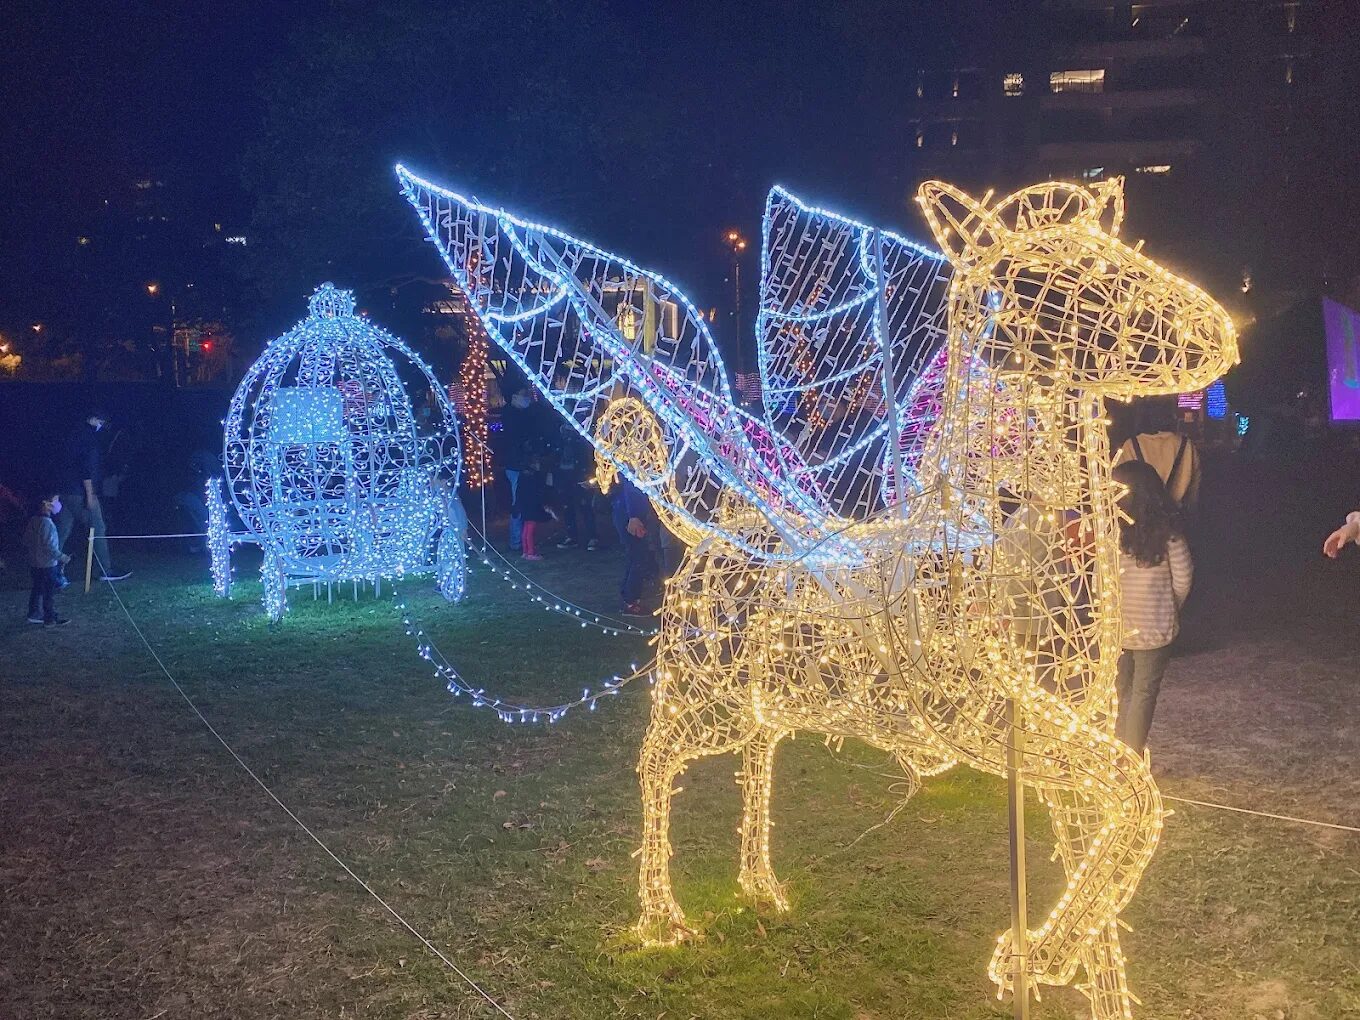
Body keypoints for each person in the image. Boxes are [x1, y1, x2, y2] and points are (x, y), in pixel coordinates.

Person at [1112, 460, 1192, 753]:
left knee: (1118, 691)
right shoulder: (1169, 536)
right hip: (1155, 630)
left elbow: (1100, 581)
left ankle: (1112, 747)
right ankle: (1130, 756)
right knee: (1144, 694)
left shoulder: (1111, 536)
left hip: (1117, 626)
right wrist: (1167, 608)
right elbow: (1183, 580)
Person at [56, 409, 130, 583]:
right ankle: (106, 569)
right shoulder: (89, 439)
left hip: (66, 490)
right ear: (94, 419)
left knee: (62, 532)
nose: (102, 427)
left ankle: (48, 569)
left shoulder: (72, 435)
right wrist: (90, 495)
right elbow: (86, 468)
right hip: (80, 492)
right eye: (101, 423)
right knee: (98, 527)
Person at [1113, 397, 1200, 517]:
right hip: (1176, 518)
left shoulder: (1131, 445)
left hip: (1140, 519)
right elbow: (1194, 490)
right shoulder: (1186, 444)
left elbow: (1121, 489)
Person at [610, 474, 660, 615]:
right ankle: (630, 602)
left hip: (628, 513)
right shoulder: (633, 467)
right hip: (630, 516)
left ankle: (628, 598)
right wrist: (634, 516)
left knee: (636, 556)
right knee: (638, 557)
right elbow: (631, 488)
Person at [24, 492, 72, 626]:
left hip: (34, 564)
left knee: (37, 589)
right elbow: (50, 547)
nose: (57, 504)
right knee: (48, 593)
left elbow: (26, 540)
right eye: (55, 501)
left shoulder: (33, 520)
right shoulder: (47, 524)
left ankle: (34, 614)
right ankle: (49, 619)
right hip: (47, 565)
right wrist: (63, 557)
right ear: (46, 504)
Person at [499, 387, 536, 553]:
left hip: (519, 464)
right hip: (516, 465)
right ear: (514, 396)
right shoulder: (512, 417)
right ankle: (516, 540)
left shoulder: (521, 416)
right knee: (518, 502)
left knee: (522, 501)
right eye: (523, 395)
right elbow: (514, 443)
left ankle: (521, 539)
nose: (526, 398)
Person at [554, 424, 599, 550]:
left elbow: (587, 456)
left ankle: (592, 537)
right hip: (565, 476)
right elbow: (556, 456)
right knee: (568, 507)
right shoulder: (559, 439)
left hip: (579, 476)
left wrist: (588, 474)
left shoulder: (580, 438)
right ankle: (572, 536)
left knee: (585, 507)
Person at [512, 455, 555, 561]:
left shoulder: (522, 476)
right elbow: (537, 493)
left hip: (525, 506)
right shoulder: (533, 477)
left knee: (526, 529)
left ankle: (525, 551)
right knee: (530, 530)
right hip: (532, 507)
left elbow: (519, 491)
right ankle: (530, 552)